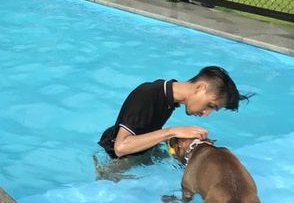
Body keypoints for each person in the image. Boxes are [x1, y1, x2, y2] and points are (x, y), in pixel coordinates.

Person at [98, 66, 246, 159]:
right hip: (112, 164)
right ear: (200, 87)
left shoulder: (167, 95)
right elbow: (120, 148)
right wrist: (172, 132)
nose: (206, 113)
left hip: (138, 156)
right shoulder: (147, 95)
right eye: (210, 105)